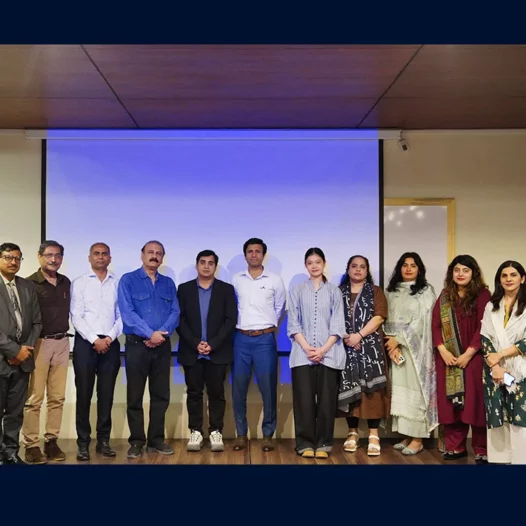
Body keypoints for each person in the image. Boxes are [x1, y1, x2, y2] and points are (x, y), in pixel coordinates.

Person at [118, 240, 180, 459]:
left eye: (159, 253)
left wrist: (160, 334)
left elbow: (175, 312)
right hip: (137, 345)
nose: (154, 256)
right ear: (142, 255)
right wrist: (149, 334)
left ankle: (156, 440)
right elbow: (128, 313)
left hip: (162, 346)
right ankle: (136, 441)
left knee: (161, 395)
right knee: (135, 395)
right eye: (150, 252)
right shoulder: (128, 280)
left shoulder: (168, 283)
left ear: (162, 257)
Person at [432, 255, 491, 464]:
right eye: (457, 270)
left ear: (473, 273)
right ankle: (455, 446)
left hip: (474, 357)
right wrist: (442, 350)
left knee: (476, 403)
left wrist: (468, 354)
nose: (460, 274)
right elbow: (436, 324)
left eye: (465, 270)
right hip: (448, 359)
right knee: (451, 404)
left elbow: (484, 326)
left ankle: (482, 449)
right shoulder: (445, 295)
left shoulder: (483, 295)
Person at [176, 250, 237, 452]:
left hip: (217, 352)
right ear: (197, 265)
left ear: (215, 267)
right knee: (194, 393)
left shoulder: (226, 289)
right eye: (202, 262)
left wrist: (213, 343)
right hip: (192, 351)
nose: (206, 266)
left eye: (210, 263)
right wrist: (196, 343)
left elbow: (230, 319)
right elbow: (179, 319)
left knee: (216, 393)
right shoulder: (184, 289)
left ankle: (215, 431)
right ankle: (195, 431)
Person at [287, 248, 345, 458]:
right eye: (310, 262)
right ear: (305, 265)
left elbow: (338, 325)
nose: (314, 266)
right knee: (304, 402)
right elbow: (293, 324)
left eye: (317, 262)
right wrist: (307, 348)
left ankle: (323, 444)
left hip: (329, 354)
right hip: (302, 354)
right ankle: (305, 444)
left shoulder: (334, 291)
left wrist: (322, 350)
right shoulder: (296, 290)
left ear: (324, 264)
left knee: (326, 402)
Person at [231, 237, 286, 451]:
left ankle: (268, 435)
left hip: (265, 339)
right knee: (238, 389)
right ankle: (241, 434)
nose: (254, 254)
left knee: (268, 389)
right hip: (241, 339)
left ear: (263, 255)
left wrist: (265, 325)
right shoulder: (236, 279)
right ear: (245, 255)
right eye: (250, 251)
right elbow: (233, 307)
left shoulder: (274, 280)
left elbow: (279, 308)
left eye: (258, 251)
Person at [70, 242, 123, 461]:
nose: (100, 257)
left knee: (106, 394)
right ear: (90, 257)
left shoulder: (118, 283)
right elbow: (76, 316)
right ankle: (83, 443)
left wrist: (108, 338)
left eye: (104, 254)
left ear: (110, 258)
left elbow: (122, 315)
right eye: (96, 254)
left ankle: (103, 441)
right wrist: (95, 339)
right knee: (84, 394)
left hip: (110, 343)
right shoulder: (79, 282)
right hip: (86, 343)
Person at [384, 252, 438, 455]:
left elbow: (423, 321)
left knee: (416, 392)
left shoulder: (425, 292)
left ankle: (418, 438)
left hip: (416, 350)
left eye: (413, 265)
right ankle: (406, 435)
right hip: (394, 350)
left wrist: (399, 339)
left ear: (419, 269)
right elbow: (385, 317)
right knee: (400, 393)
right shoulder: (390, 292)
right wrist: (391, 342)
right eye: (404, 265)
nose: (408, 269)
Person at [23, 240, 71, 464]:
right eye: (49, 255)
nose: (54, 259)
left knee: (57, 397)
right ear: (39, 256)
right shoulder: (29, 284)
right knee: (34, 398)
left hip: (62, 342)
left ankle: (51, 441)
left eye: (58, 255)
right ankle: (31, 444)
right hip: (39, 344)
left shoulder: (65, 282)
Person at [337, 255, 389, 457]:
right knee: (349, 390)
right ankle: (352, 433)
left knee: (372, 393)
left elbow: (379, 317)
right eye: (354, 266)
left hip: (371, 348)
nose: (358, 269)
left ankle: (374, 434)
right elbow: (332, 318)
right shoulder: (338, 292)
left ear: (367, 271)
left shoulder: (375, 291)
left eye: (362, 267)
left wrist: (358, 335)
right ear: (348, 269)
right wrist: (348, 337)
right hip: (345, 347)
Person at [0, 243, 42, 465]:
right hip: (2, 358)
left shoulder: (27, 286)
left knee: (15, 412)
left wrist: (25, 350)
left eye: (17, 258)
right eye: (8, 257)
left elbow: (37, 322)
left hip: (23, 360)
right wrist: (14, 350)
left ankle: (10, 453)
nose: (13, 262)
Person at [481, 260, 526, 464]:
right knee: (497, 412)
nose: (509, 279)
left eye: (513, 275)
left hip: (520, 368)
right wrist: (496, 366)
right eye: (504, 275)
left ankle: (520, 462)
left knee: (520, 414)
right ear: (499, 280)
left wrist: (500, 355)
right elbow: (485, 337)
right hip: (495, 370)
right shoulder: (492, 305)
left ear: (522, 279)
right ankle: (499, 462)